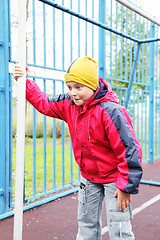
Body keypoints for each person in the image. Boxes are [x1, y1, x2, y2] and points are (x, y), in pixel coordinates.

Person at [14, 56, 143, 240]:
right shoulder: (69, 104)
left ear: (92, 85)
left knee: (119, 227)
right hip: (89, 177)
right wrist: (24, 82)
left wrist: (126, 187)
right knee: (86, 223)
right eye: (69, 87)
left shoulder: (110, 111)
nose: (73, 92)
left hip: (115, 178)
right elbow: (44, 103)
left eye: (78, 87)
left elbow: (129, 149)